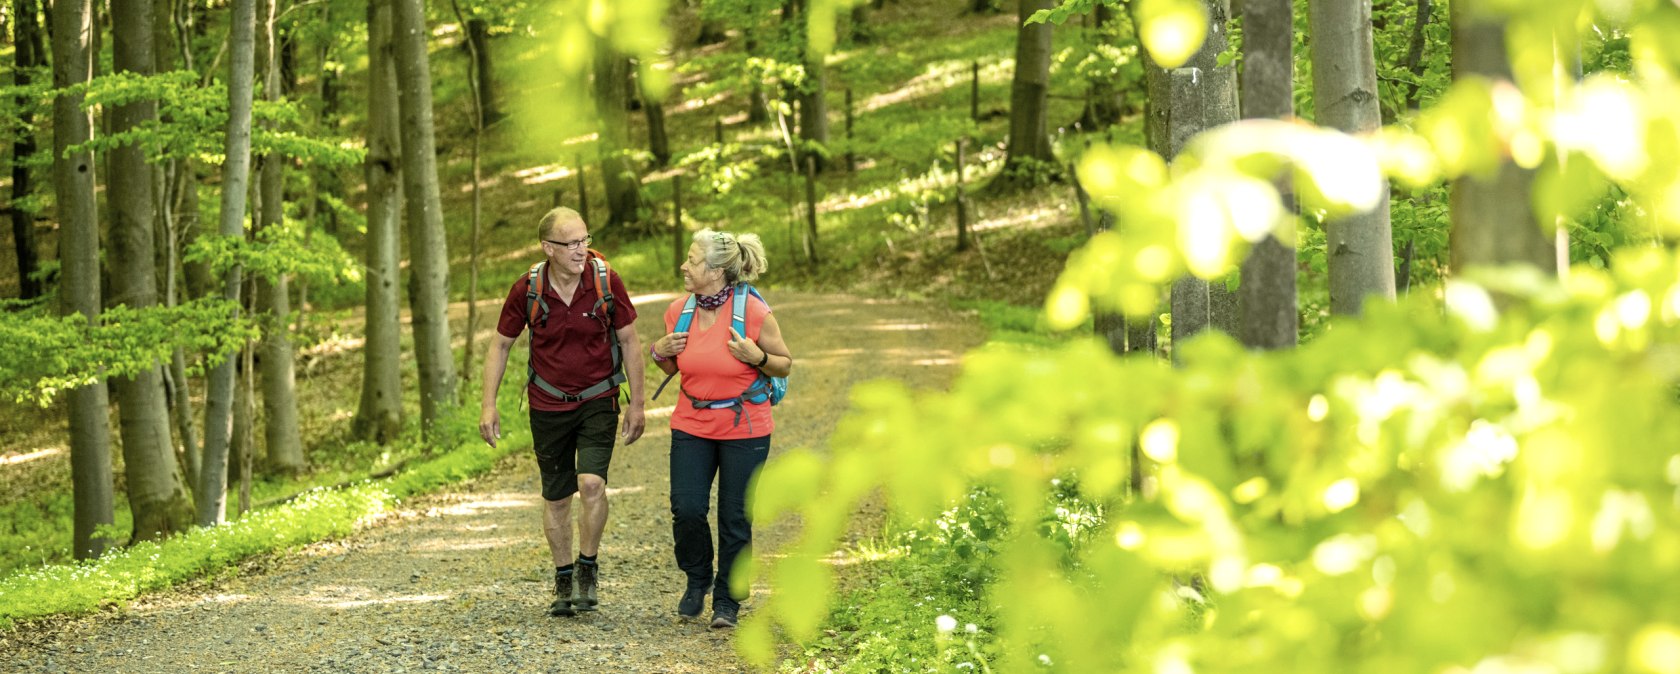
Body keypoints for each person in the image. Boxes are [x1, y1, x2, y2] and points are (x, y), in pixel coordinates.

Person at [480, 207, 645, 618]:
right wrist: (489, 404)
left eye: (584, 240)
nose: (581, 250)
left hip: (598, 399)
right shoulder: (527, 290)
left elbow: (629, 341)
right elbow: (500, 345)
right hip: (547, 403)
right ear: (547, 248)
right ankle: (563, 576)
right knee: (556, 497)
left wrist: (637, 404)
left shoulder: (606, 281)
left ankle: (588, 566)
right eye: (571, 243)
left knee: (591, 484)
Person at [649, 229, 792, 629]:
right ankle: (697, 578)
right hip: (692, 423)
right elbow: (675, 367)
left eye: (692, 260)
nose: (684, 266)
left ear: (715, 271)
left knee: (734, 517)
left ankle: (727, 599)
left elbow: (783, 363)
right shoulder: (679, 311)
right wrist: (660, 351)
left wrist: (757, 355)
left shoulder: (756, 313)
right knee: (687, 508)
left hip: (746, 426)